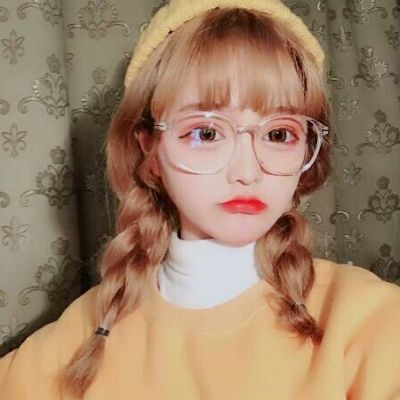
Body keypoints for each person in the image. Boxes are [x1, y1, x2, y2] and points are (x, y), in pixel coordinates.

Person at [1, 0, 399, 399]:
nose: (247, 171)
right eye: (206, 133)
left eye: (279, 134)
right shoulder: (81, 334)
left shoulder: (368, 320)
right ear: (150, 149)